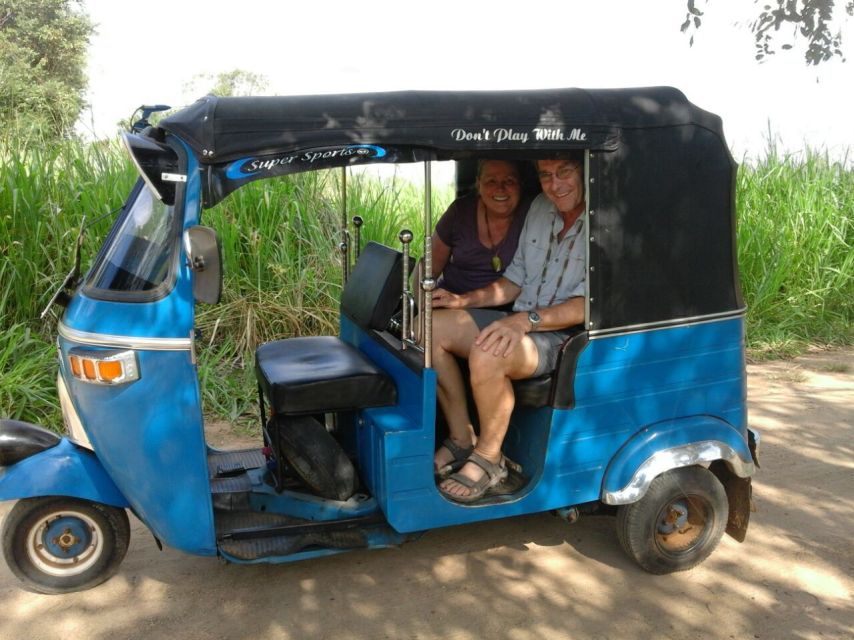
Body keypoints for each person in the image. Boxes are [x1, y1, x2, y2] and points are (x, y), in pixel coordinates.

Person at [430, 153, 586, 503]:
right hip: (522, 321)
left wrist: (525, 321)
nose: (555, 184)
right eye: (546, 175)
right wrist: (464, 301)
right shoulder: (540, 209)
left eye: (564, 173)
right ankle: (460, 439)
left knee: (489, 350)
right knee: (428, 327)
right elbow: (514, 280)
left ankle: (490, 459)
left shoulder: (603, 221)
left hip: (564, 334)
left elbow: (587, 305)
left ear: (584, 172)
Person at [428, 160, 530, 294]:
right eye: (491, 181)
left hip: (513, 309)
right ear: (478, 184)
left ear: (520, 184)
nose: (500, 188)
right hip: (452, 302)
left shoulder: (532, 213)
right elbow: (429, 268)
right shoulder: (460, 211)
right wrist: (424, 306)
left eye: (509, 181)